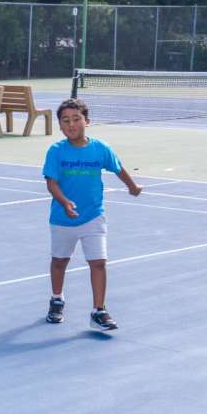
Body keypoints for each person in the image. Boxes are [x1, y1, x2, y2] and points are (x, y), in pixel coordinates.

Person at [43, 98, 142, 331]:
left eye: (76, 119)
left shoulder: (100, 148)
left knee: (98, 263)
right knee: (60, 261)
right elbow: (51, 183)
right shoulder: (56, 151)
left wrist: (132, 186)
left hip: (94, 216)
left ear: (86, 121)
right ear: (60, 125)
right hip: (62, 219)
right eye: (65, 121)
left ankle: (99, 310)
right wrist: (65, 202)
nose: (71, 124)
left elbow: (117, 167)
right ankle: (57, 299)